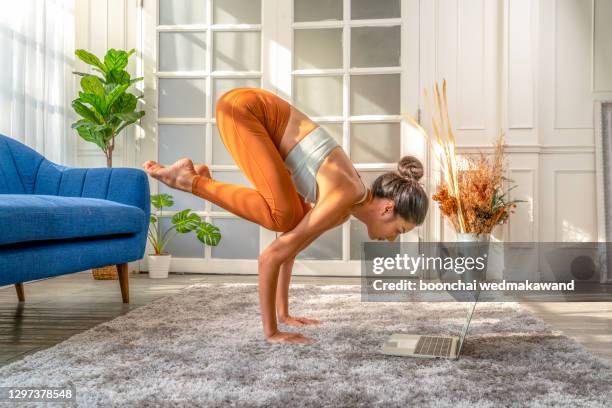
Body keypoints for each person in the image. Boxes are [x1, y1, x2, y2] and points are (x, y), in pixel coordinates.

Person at [143, 88, 429, 345]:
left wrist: (284, 314)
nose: (391, 239)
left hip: (247, 111)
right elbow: (270, 257)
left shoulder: (344, 207)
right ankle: (189, 180)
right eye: (399, 231)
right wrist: (272, 332)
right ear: (387, 208)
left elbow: (289, 249)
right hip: (242, 110)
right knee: (281, 216)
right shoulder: (346, 191)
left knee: (288, 219)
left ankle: (199, 180)